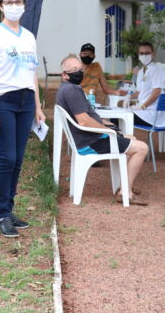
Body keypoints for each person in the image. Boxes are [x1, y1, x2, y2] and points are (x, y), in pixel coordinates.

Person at [0, 0, 45, 238]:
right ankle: (1, 215)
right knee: (6, 158)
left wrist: (38, 107)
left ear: (24, 5)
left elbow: (32, 74)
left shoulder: (29, 36)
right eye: (9, 1)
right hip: (3, 100)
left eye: (18, 1)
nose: (14, 5)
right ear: (0, 6)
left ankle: (10, 209)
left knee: (18, 159)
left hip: (26, 101)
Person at [56, 55, 149, 205]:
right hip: (90, 142)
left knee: (131, 139)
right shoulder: (72, 90)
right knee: (142, 148)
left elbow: (89, 117)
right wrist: (108, 131)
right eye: (73, 70)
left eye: (80, 69)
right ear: (65, 74)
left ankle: (125, 185)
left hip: (87, 139)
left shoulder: (67, 88)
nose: (78, 72)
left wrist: (111, 128)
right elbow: (84, 121)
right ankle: (126, 193)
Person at [129, 42, 165, 128]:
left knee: (118, 119)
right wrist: (128, 97)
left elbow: (157, 92)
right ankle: (125, 140)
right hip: (143, 112)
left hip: (152, 115)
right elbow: (139, 91)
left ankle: (125, 141)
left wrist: (143, 106)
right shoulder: (141, 72)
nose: (144, 55)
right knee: (119, 116)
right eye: (141, 53)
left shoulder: (156, 69)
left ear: (153, 54)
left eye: (147, 53)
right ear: (138, 54)